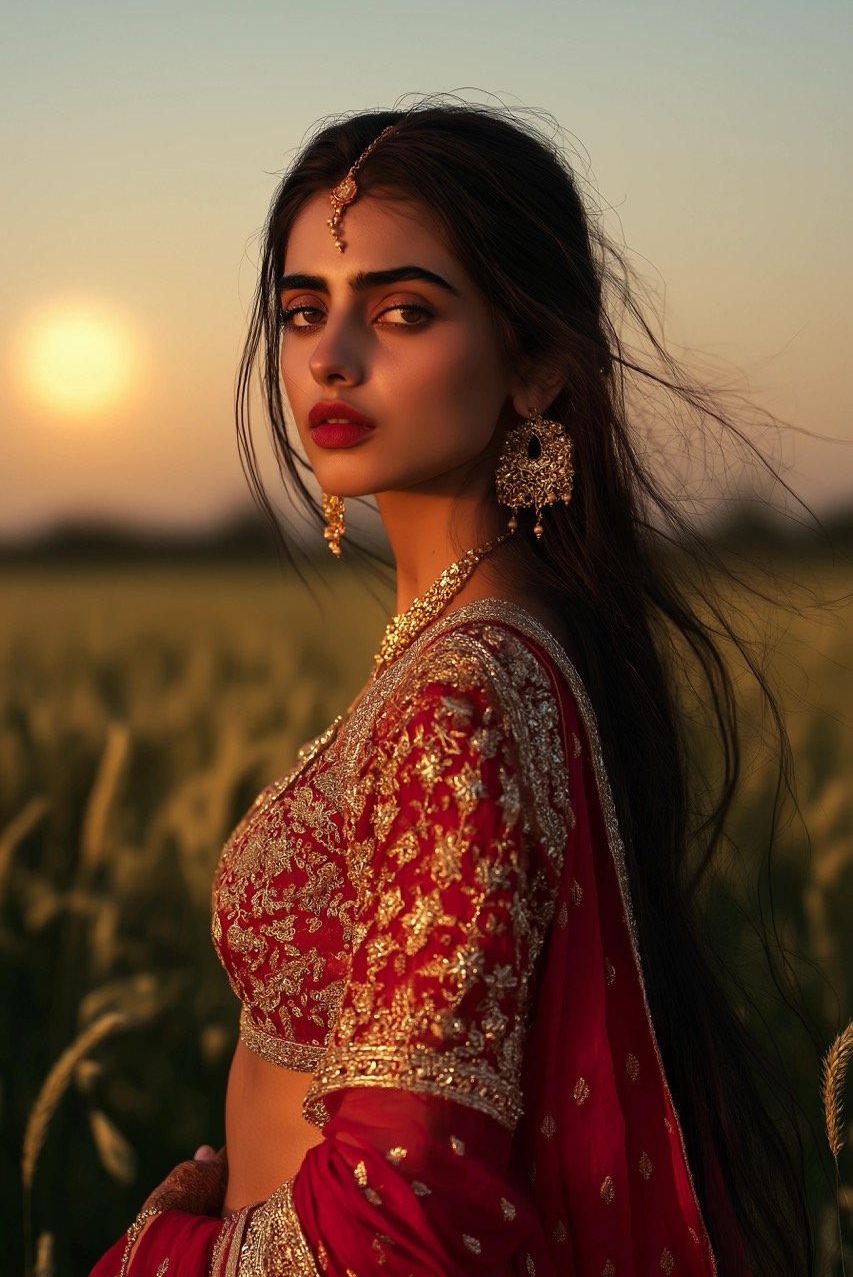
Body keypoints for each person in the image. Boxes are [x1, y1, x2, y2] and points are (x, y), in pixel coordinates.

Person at [91, 103, 813, 1276]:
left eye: (403, 310)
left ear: (533, 363)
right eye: (302, 310)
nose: (331, 355)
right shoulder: (498, 648)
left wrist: (164, 1254)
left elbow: (399, 1211)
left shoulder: (459, 701)